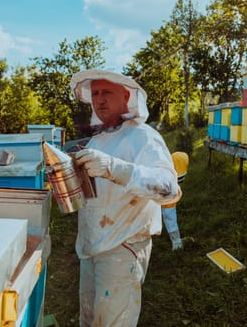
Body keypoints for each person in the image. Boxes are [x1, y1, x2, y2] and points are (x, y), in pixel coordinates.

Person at [70, 69, 181, 327]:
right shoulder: (98, 140)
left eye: (106, 92)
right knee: (89, 320)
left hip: (123, 246)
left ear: (125, 97)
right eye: (95, 93)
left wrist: (115, 168)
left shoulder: (143, 136)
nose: (100, 99)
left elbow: (169, 189)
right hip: (91, 246)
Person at [161, 151, 189, 250]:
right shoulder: (168, 188)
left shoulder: (165, 164)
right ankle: (176, 242)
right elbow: (169, 215)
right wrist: (176, 239)